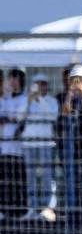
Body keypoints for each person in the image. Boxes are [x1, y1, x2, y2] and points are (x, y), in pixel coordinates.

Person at [59, 65, 82, 224]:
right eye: (74, 80)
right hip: (69, 145)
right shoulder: (66, 96)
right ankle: (72, 210)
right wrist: (70, 93)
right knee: (71, 178)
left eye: (80, 80)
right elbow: (65, 111)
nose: (77, 82)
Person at [22, 74, 58, 221]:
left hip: (45, 143)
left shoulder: (51, 100)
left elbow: (52, 117)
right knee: (30, 177)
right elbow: (19, 117)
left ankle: (48, 208)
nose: (40, 87)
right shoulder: (26, 99)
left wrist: (40, 99)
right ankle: (32, 208)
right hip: (29, 143)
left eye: (43, 84)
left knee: (47, 176)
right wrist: (29, 101)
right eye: (37, 84)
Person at [0, 69, 29, 220]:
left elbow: (19, 117)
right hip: (5, 146)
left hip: (19, 148)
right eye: (11, 78)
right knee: (6, 179)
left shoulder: (25, 98)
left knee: (19, 179)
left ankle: (20, 210)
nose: (12, 81)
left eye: (15, 78)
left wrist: (11, 118)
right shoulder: (5, 99)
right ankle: (6, 210)